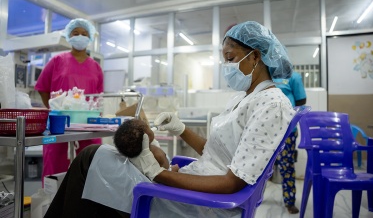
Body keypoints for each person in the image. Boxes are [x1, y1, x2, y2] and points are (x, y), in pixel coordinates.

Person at [45, 21, 296, 218]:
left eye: (230, 58)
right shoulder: (245, 97)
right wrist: (181, 129)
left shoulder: (272, 105)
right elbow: (219, 152)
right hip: (192, 184)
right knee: (95, 165)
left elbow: (232, 183)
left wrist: (159, 174)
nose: (226, 66)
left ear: (255, 56)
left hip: (204, 206)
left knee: (91, 160)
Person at [45, 119, 172, 218]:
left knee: (88, 159)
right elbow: (165, 170)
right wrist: (174, 169)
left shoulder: (152, 153)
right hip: (153, 191)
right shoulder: (154, 153)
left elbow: (162, 174)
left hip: (157, 201)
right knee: (89, 161)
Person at [34, 18, 104, 180]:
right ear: (69, 36)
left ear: (90, 38)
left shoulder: (96, 67)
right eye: (76, 33)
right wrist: (56, 108)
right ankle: (52, 203)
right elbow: (42, 88)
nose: (80, 36)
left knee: (88, 170)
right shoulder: (57, 61)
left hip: (88, 127)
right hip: (60, 126)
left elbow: (98, 98)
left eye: (84, 34)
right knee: (55, 173)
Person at [273, 71, 306, 214]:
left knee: (287, 166)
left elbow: (301, 100)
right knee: (260, 166)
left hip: (287, 130)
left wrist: (284, 111)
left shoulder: (293, 76)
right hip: (266, 128)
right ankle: (255, 197)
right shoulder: (267, 74)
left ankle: (289, 201)